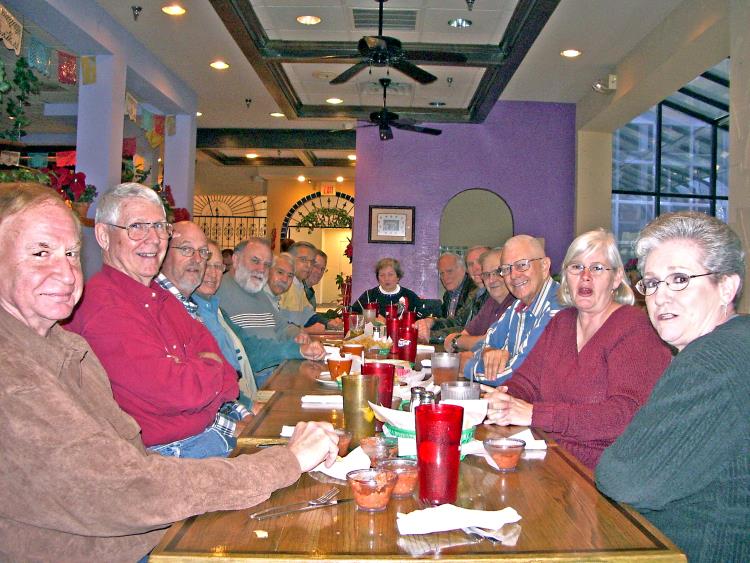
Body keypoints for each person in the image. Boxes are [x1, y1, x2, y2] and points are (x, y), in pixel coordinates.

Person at [0, 183, 339, 562]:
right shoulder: (16, 372)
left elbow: (224, 369)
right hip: (136, 540)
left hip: (159, 499)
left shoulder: (63, 342)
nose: (64, 273)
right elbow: (128, 488)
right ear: (104, 236)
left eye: (70, 254)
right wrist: (282, 463)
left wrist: (221, 392)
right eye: (39, 253)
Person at [596, 212, 748, 561]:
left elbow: (624, 478)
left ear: (726, 287)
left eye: (679, 279)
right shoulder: (736, 341)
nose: (661, 296)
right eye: (651, 283)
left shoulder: (710, 361)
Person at [67, 185, 245, 459]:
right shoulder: (103, 306)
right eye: (137, 226)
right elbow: (181, 392)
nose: (153, 240)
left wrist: (199, 376)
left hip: (205, 437)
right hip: (169, 456)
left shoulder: (162, 297)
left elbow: (229, 378)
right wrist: (208, 369)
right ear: (103, 235)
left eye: (160, 227)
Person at [485, 229, 672, 469]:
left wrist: (534, 414)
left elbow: (626, 415)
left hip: (602, 473)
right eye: (576, 267)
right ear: (565, 277)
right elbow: (527, 382)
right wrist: (505, 397)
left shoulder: (635, 328)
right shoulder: (561, 322)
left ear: (616, 278)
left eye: (596, 268)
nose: (585, 276)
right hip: (550, 458)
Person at [218, 237, 325, 386]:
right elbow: (250, 350)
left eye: (267, 264)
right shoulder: (217, 292)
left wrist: (297, 335)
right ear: (236, 260)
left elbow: (282, 326)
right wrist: (296, 350)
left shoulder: (257, 291)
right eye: (255, 261)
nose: (261, 269)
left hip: (278, 367)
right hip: (253, 379)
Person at [464, 235, 562, 384]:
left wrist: (462, 365)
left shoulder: (558, 309)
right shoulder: (518, 306)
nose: (514, 275)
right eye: (506, 269)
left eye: (522, 265)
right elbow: (484, 343)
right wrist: (488, 352)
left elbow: (517, 374)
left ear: (544, 266)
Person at [194, 240, 258, 409]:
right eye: (207, 265)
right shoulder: (191, 313)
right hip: (227, 404)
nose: (212, 274)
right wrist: (248, 405)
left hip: (242, 393)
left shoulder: (216, 308)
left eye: (218, 267)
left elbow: (249, 343)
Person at [444, 247, 515, 354]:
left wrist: (456, 341)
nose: (491, 280)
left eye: (498, 272)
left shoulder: (517, 302)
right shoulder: (491, 302)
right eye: (486, 275)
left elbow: (493, 342)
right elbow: (465, 334)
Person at [415, 246, 490, 343]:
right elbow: (457, 321)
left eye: (449, 271)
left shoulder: (495, 294)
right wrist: (431, 321)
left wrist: (432, 335)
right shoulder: (475, 293)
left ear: (463, 270)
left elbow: (471, 330)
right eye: (471, 264)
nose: (475, 268)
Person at [352, 257, 421, 317]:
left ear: (398, 277)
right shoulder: (368, 296)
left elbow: (425, 315)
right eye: (382, 275)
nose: (386, 278)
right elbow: (353, 313)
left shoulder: (410, 296)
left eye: (390, 274)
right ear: (377, 278)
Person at [279, 241, 317, 321]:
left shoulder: (299, 284)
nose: (309, 265)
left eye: (312, 261)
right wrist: (308, 329)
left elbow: (309, 314)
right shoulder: (280, 285)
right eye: (303, 259)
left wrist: (328, 322)